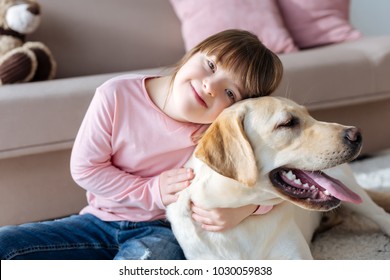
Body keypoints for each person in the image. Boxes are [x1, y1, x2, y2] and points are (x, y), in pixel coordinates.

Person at [0, 29, 283, 260]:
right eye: (211, 65)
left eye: (230, 92)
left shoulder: (220, 133)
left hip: (165, 231)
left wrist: (245, 210)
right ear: (193, 52)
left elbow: (272, 184)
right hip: (97, 222)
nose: (211, 86)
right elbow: (86, 170)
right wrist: (153, 190)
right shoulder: (116, 94)